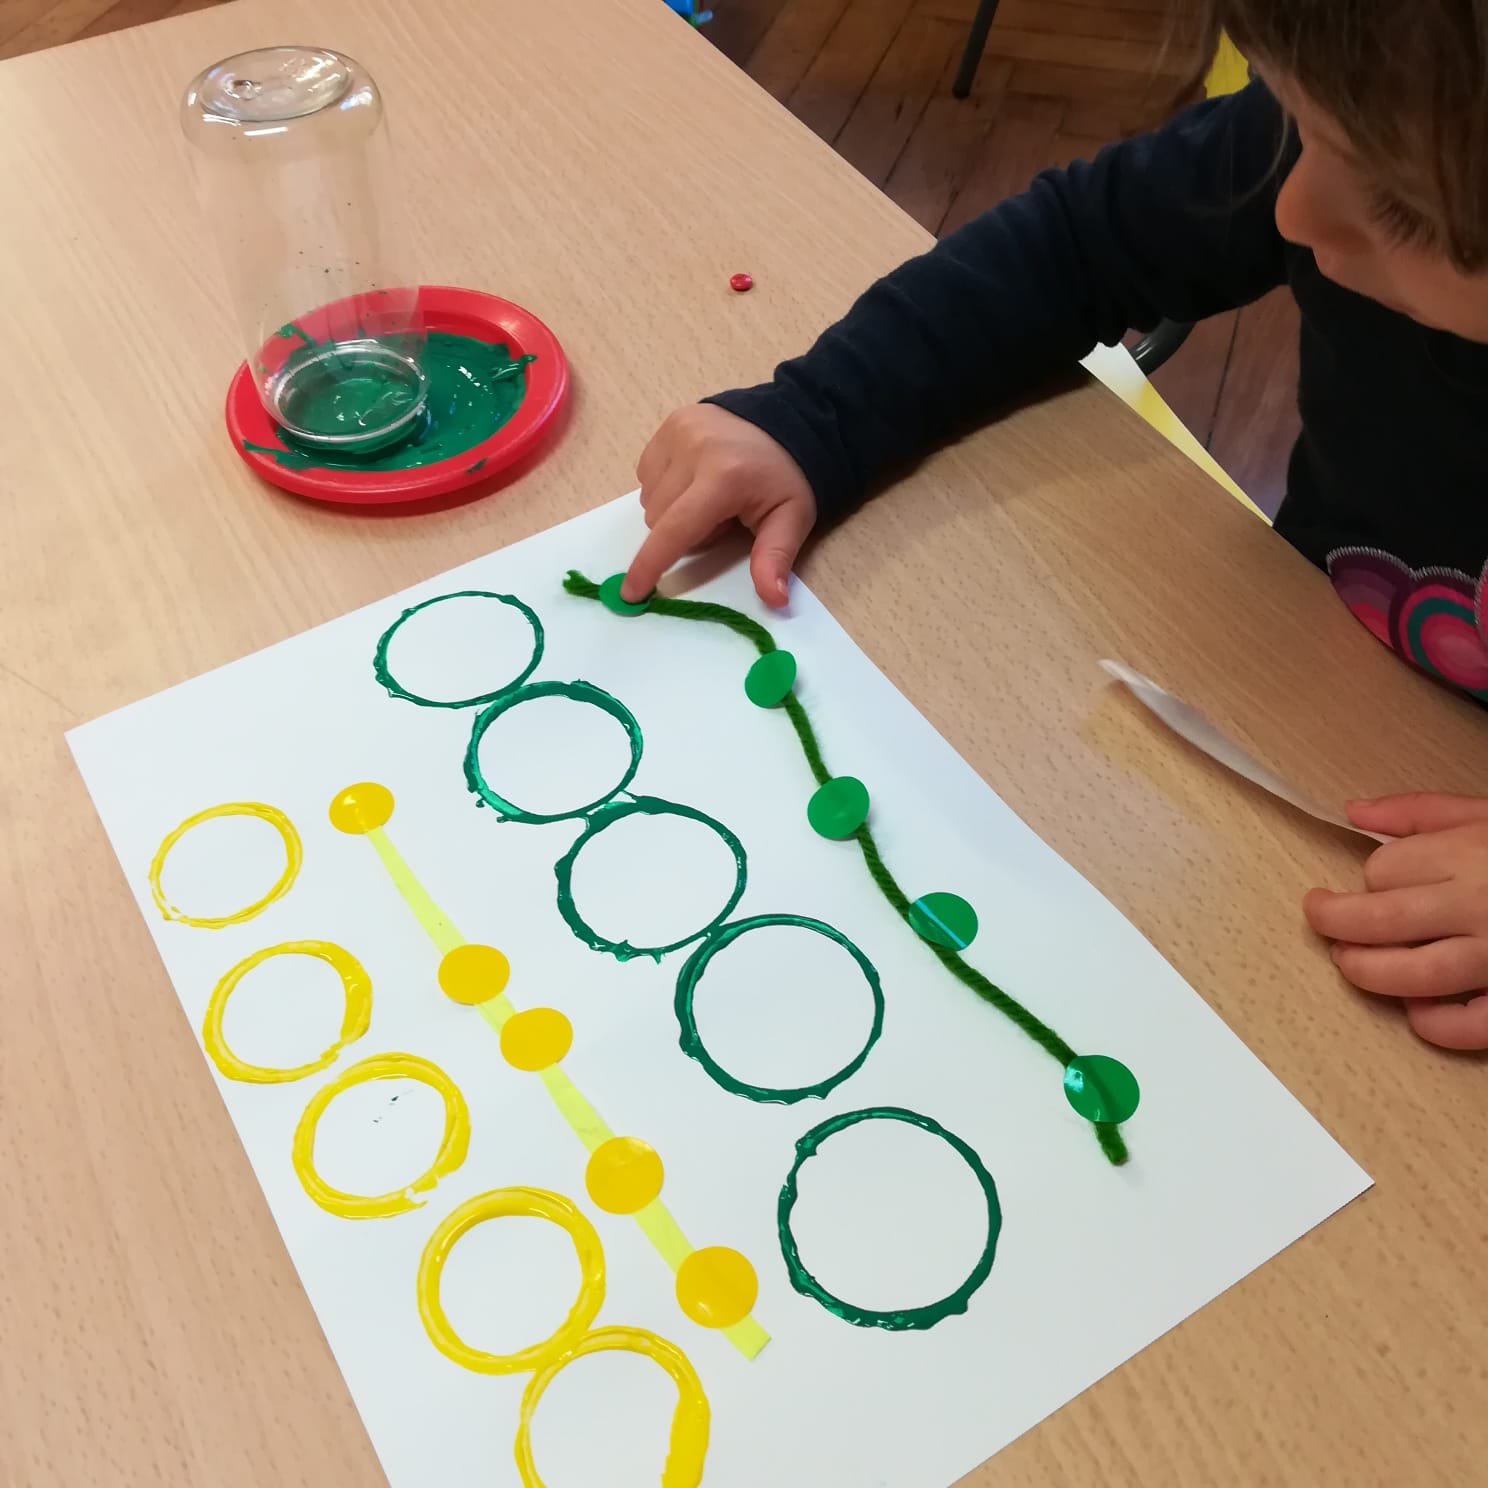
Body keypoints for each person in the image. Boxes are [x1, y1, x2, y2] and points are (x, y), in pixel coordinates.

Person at [618, 1, 1488, 1051]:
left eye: (1401, 209)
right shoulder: (1381, 112)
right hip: (1309, 677)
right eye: (1296, 123)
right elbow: (1076, 246)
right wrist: (817, 416)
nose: (1295, 209)